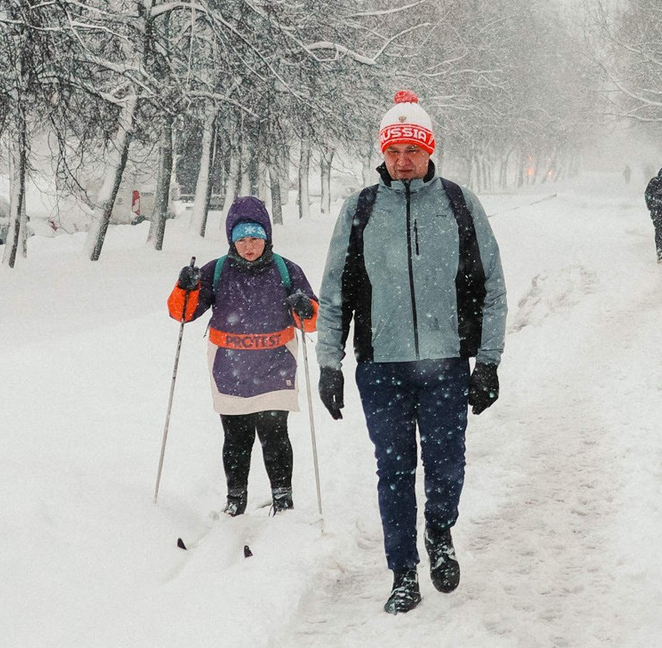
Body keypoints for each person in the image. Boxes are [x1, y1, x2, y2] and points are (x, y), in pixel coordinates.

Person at [316, 90, 508, 615]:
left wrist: (488, 361)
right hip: (381, 367)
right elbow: (334, 292)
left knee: (446, 465)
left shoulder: (459, 203)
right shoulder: (360, 210)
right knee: (394, 471)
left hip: (446, 364)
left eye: (413, 151)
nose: (403, 162)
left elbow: (492, 285)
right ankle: (403, 571)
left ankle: (439, 532)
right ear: (383, 153)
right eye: (394, 151)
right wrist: (329, 364)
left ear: (429, 152)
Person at [168, 196, 318, 517]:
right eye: (242, 239)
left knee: (275, 437)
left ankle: (283, 500)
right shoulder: (217, 270)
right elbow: (183, 313)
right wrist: (185, 287)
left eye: (255, 238)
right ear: (231, 240)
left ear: (267, 238)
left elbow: (313, 318)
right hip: (230, 369)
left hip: (275, 367)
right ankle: (236, 500)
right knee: (236, 439)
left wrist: (305, 308)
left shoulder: (286, 270)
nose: (249, 246)